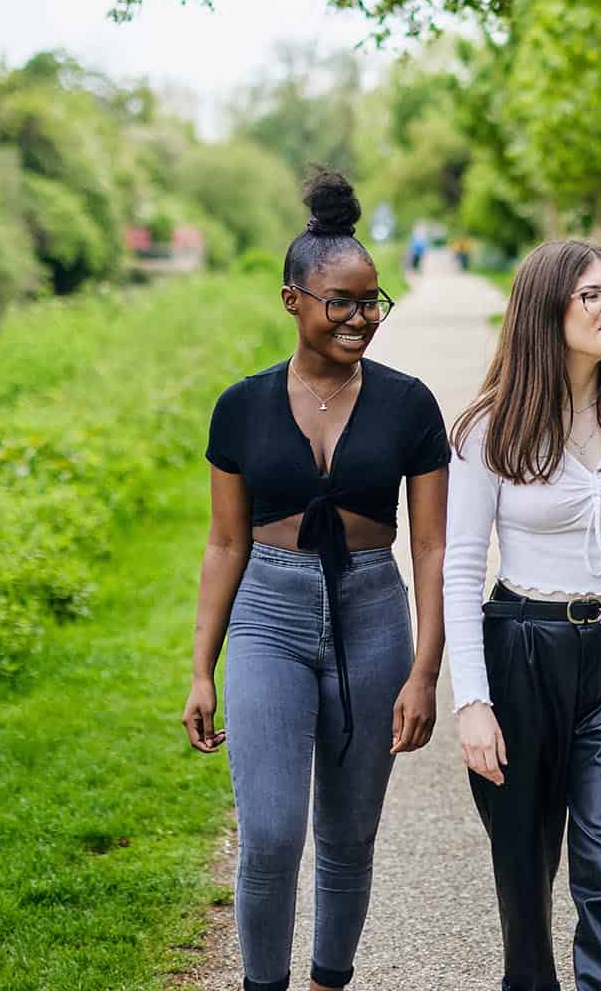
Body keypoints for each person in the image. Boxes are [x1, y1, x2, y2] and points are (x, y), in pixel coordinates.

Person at [187, 170, 452, 991]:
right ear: (293, 300)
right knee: (269, 833)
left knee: (349, 833)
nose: (361, 319)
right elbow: (226, 543)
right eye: (341, 302)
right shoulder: (242, 406)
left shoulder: (411, 406)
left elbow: (437, 551)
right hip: (269, 613)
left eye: (373, 302)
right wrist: (201, 667)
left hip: (375, 613)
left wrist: (424, 670)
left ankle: (329, 981)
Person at [443, 238, 601, 991]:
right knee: (524, 875)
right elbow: (459, 567)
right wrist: (472, 701)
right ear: (549, 310)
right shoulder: (489, 428)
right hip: (521, 652)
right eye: (594, 296)